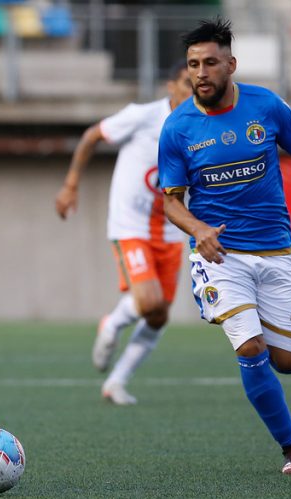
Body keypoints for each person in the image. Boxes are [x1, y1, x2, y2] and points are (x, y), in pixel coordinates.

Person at [158, 18, 291, 474]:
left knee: (289, 362)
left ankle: (270, 383)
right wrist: (198, 229)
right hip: (220, 257)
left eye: (210, 63)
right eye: (193, 64)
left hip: (275, 251)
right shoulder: (177, 128)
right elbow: (171, 202)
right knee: (251, 347)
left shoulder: (267, 106)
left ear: (231, 65)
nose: (201, 73)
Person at [55, 62, 192, 405]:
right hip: (131, 224)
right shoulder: (143, 116)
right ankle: (112, 323)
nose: (194, 90)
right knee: (149, 302)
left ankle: (116, 382)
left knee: (159, 316)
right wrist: (71, 185)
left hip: (171, 229)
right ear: (171, 85)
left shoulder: (202, 126)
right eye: (187, 83)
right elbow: (92, 136)